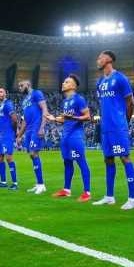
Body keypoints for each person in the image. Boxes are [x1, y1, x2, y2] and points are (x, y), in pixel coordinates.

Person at [91, 50, 134, 210]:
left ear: (109, 59)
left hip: (118, 125)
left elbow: (130, 102)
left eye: (100, 57)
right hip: (105, 127)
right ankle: (109, 196)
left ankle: (132, 199)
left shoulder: (120, 78)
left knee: (125, 158)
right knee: (108, 159)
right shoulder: (99, 82)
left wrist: (125, 122)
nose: (97, 60)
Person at [46, 74, 91, 202]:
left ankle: (87, 192)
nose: (63, 83)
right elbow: (65, 119)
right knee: (67, 162)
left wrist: (74, 118)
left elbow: (87, 116)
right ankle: (66, 190)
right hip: (65, 136)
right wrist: (54, 118)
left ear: (73, 85)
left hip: (75, 136)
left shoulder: (79, 99)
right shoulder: (65, 102)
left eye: (66, 82)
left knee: (81, 162)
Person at [16, 80, 49, 194]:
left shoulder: (36, 93)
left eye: (21, 85)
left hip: (36, 126)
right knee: (32, 155)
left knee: (33, 153)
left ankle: (41, 185)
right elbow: (24, 120)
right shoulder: (24, 101)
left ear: (28, 84)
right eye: (19, 86)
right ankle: (39, 183)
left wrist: (42, 127)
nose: (20, 87)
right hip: (28, 129)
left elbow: (45, 109)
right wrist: (19, 135)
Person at [0, 87, 18, 189]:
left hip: (8, 134)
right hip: (1, 135)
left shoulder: (8, 104)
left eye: (1, 92)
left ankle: (15, 183)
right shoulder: (0, 106)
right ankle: (3, 182)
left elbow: (14, 118)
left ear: (5, 94)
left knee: (9, 158)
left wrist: (14, 132)